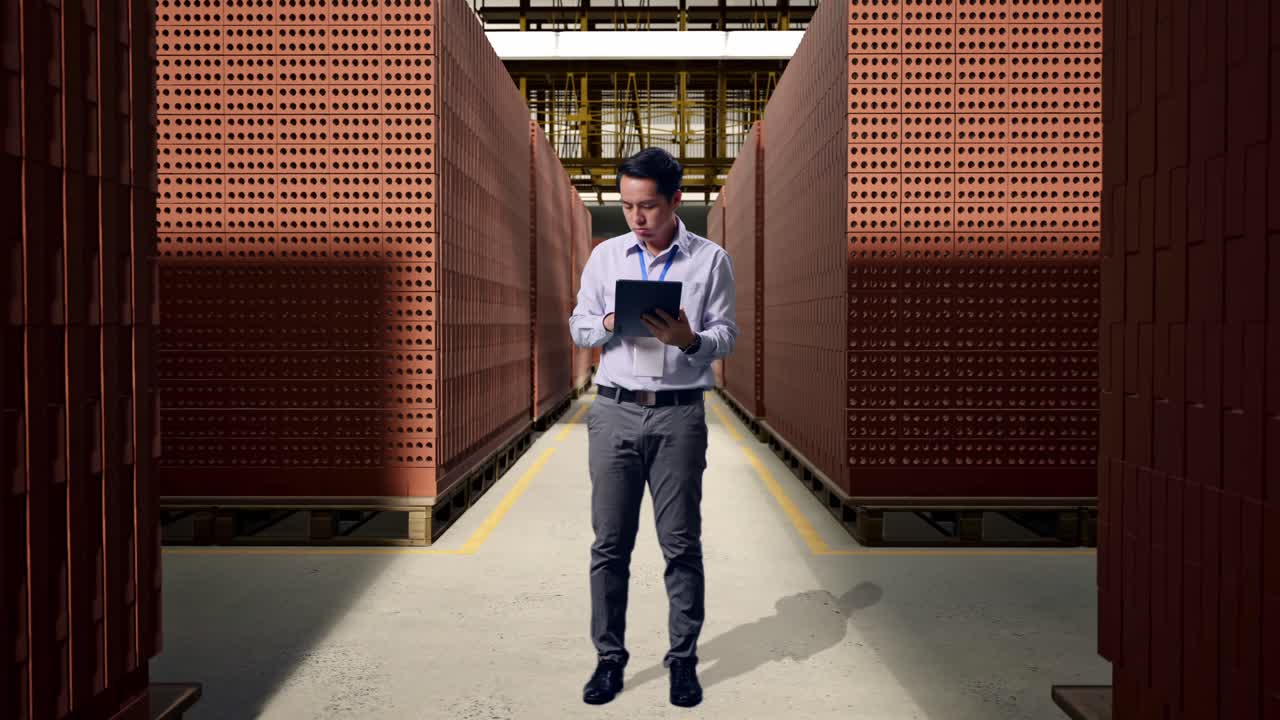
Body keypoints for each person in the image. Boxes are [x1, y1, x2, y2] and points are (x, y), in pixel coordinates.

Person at [568, 147, 738, 708]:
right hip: (614, 410)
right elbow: (580, 325)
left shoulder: (710, 261)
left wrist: (688, 340)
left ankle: (683, 662)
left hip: (679, 414)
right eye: (628, 206)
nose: (637, 218)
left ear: (675, 201)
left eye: (648, 207)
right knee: (610, 546)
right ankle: (608, 661)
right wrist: (610, 322)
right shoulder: (606, 258)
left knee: (680, 544)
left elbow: (727, 336)